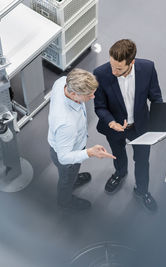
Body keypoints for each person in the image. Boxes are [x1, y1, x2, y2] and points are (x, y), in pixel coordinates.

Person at [93, 39, 163, 211]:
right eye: (112, 65)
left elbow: (156, 98)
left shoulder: (147, 68)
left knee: (142, 161)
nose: (113, 71)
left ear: (131, 62)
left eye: (119, 68)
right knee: (117, 153)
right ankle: (120, 173)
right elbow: (100, 107)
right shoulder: (101, 73)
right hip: (115, 128)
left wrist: (161, 124)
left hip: (141, 127)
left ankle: (142, 191)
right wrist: (111, 122)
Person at [48, 68, 115, 211]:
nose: (93, 97)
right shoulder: (67, 124)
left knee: (69, 176)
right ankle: (65, 201)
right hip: (67, 154)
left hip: (63, 142)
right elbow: (64, 158)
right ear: (73, 94)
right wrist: (89, 152)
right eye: (88, 95)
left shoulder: (61, 83)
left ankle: (72, 180)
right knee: (66, 177)